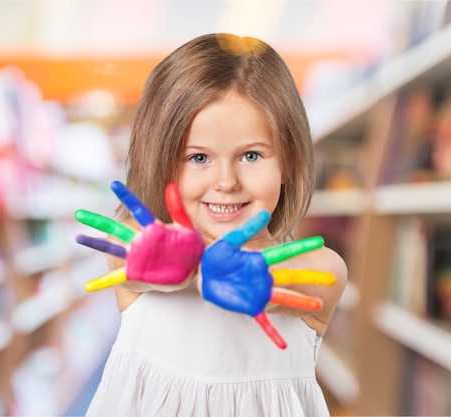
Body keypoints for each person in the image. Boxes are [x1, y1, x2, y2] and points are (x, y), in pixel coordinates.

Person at [76, 33, 347, 417]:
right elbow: (125, 262)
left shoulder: (321, 268)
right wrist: (178, 263)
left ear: (288, 161)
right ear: (163, 159)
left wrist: (257, 279)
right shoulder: (141, 255)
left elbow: (308, 279)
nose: (226, 181)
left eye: (251, 155)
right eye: (199, 158)